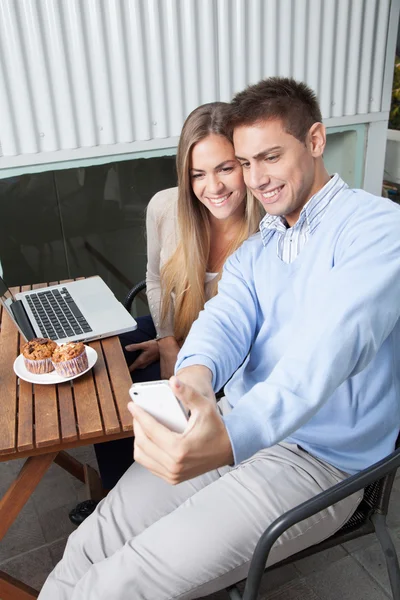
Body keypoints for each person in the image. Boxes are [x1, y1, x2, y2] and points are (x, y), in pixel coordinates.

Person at [39, 77, 400, 600]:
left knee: (122, 581)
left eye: (270, 157)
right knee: (92, 541)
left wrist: (231, 437)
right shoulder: (260, 248)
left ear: (316, 140)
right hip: (238, 424)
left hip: (318, 462)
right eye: (247, 162)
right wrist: (191, 382)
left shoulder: (378, 228)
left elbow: (332, 348)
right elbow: (223, 320)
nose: (257, 179)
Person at [69, 102, 262, 524]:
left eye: (226, 168)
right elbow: (154, 280)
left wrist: (186, 358)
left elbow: (253, 336)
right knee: (106, 359)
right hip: (177, 330)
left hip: (233, 358)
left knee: (156, 394)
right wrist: (167, 339)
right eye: (198, 173)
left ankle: (150, 503)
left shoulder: (267, 231)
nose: (213, 187)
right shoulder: (165, 207)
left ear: (245, 164)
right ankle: (117, 494)